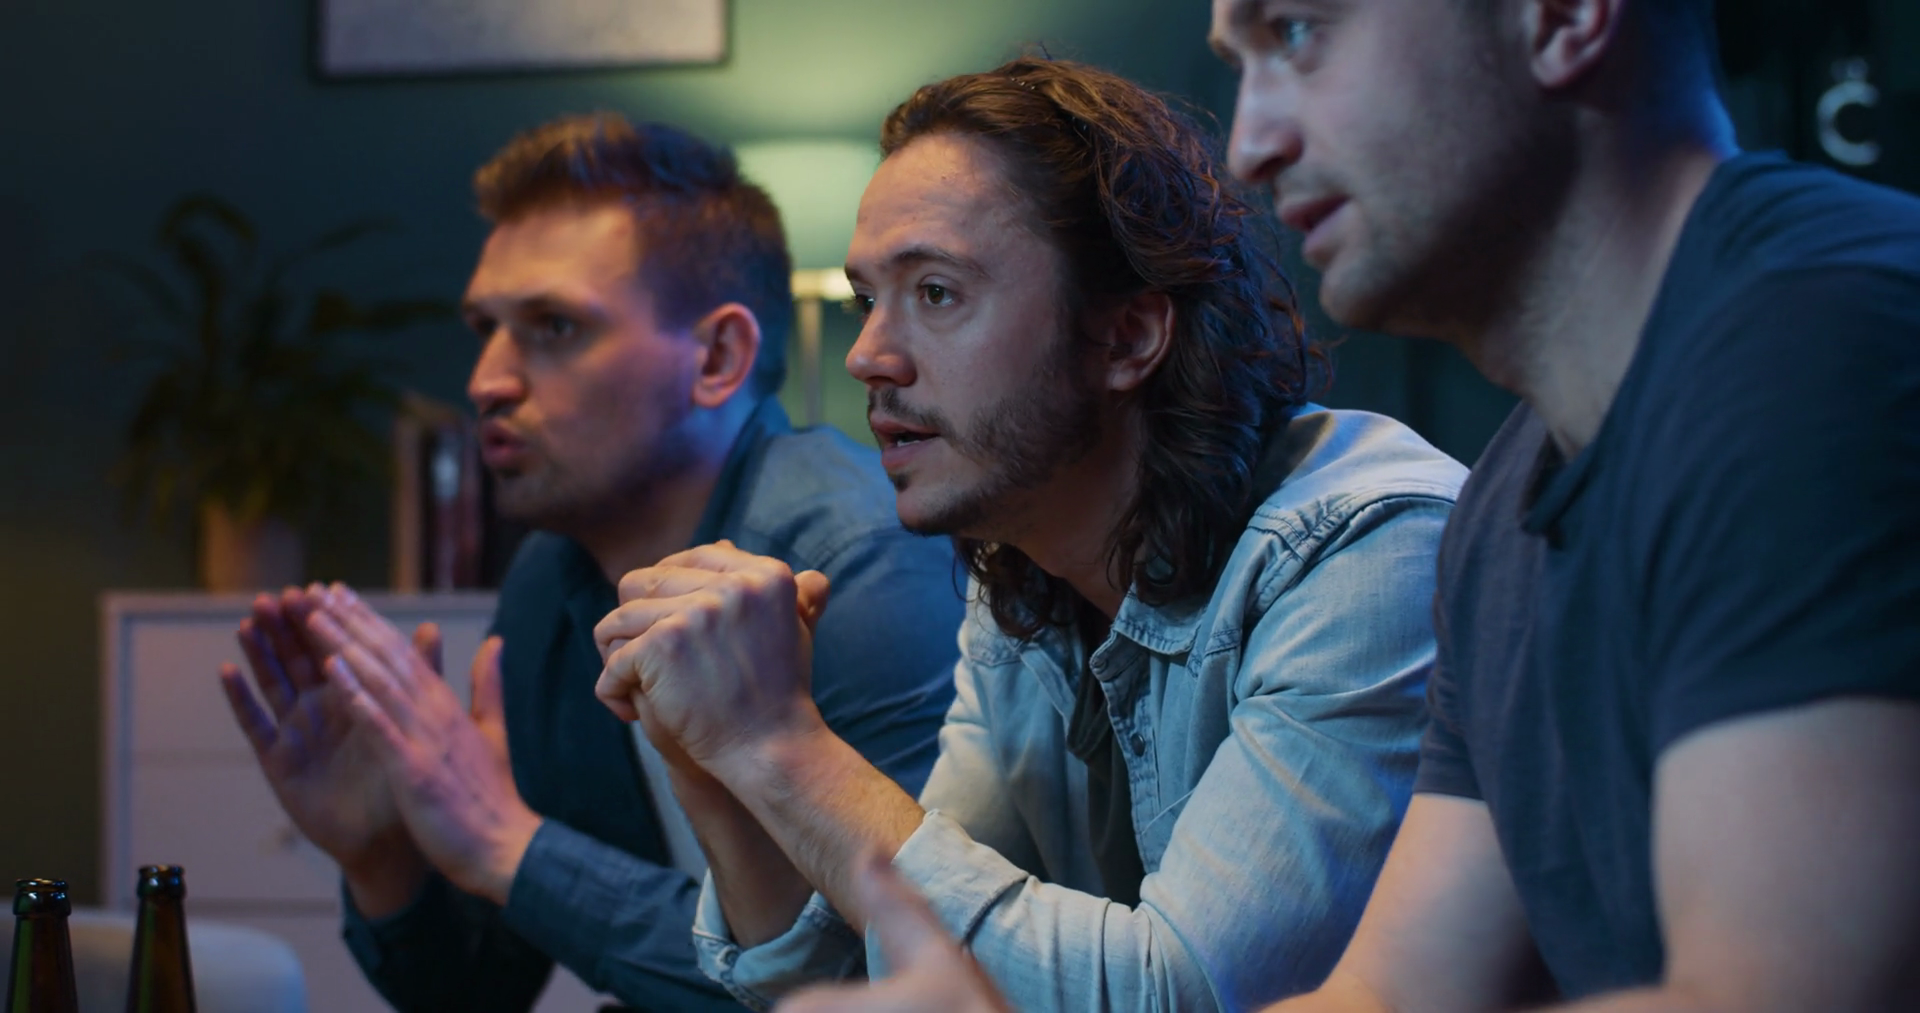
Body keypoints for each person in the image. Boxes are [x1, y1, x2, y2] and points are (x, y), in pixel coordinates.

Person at [589, 57, 1468, 1013]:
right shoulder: (1022, 578)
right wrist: (716, 763)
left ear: (1128, 337)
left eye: (936, 292)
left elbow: (1184, 996)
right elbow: (885, 991)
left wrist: (782, 745)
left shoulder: (1367, 551)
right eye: (866, 300)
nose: (867, 355)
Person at [1207, 0, 1920, 1009]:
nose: (1249, 148)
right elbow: (1392, 994)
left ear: (1560, 17)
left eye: (1295, 31)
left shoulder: (1822, 348)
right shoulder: (1499, 515)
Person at [215, 114, 966, 1013]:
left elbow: (895, 985)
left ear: (718, 356)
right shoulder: (549, 580)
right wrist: (382, 859)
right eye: (485, 327)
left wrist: (509, 843)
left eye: (553, 326)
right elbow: (477, 990)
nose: (487, 379)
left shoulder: (863, 566)